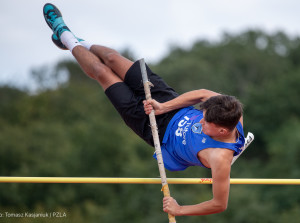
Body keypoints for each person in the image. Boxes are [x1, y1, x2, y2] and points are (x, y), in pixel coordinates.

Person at [43, 3, 245, 216]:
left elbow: (219, 204)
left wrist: (180, 209)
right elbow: (203, 93)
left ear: (222, 131)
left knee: (102, 71)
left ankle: (64, 33)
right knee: (112, 57)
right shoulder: (232, 109)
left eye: (205, 123)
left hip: (156, 130)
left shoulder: (220, 159)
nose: (200, 122)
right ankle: (77, 42)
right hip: (168, 103)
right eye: (202, 117)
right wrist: (163, 106)